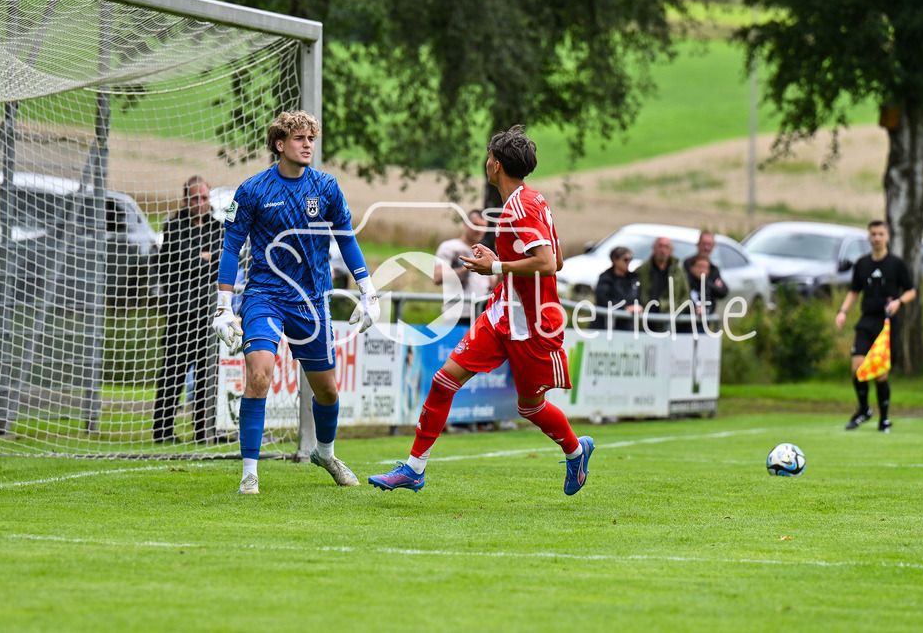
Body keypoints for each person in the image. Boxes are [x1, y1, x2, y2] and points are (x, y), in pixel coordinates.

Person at [367, 125, 594, 495]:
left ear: (497, 165)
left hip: (533, 325)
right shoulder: (528, 201)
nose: (486, 163)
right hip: (501, 313)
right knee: (444, 381)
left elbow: (550, 264)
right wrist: (501, 260)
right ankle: (414, 468)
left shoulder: (521, 207)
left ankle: (575, 450)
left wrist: (496, 267)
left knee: (531, 408)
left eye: (489, 157)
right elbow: (556, 259)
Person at [212, 110, 381, 495]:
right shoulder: (252, 190)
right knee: (258, 376)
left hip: (311, 299)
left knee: (327, 392)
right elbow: (230, 247)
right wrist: (224, 304)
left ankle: (325, 453)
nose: (308, 145)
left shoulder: (326, 186)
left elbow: (347, 239)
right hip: (264, 295)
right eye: (301, 139)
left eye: (311, 139)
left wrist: (368, 291)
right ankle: (250, 473)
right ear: (280, 144)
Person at [153, 176, 226, 444]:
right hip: (180, 312)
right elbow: (181, 260)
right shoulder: (173, 225)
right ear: (186, 200)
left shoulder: (217, 228)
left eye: (204, 198)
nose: (200, 203)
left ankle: (203, 432)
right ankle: (163, 432)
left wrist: (201, 258)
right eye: (195, 198)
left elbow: (222, 260)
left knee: (209, 374)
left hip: (209, 313)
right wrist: (202, 257)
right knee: (174, 371)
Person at [835, 220, 916, 433]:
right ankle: (864, 410)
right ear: (869, 237)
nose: (877, 238)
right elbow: (854, 291)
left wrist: (899, 302)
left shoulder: (896, 264)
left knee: (880, 374)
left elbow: (911, 291)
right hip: (866, 321)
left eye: (881, 234)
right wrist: (843, 311)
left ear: (887, 236)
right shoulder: (862, 264)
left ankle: (884, 420)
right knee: (857, 369)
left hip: (887, 324)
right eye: (873, 234)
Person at [434, 209, 496, 325]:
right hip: (457, 315)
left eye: (483, 226)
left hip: (483, 315)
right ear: (465, 224)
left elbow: (493, 284)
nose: (479, 230)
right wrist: (467, 268)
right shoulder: (449, 247)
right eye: (475, 225)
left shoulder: (486, 252)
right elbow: (438, 277)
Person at [639, 236, 690, 330]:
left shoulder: (679, 271)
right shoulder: (642, 269)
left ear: (671, 250)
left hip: (668, 320)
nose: (662, 250)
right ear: (653, 248)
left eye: (666, 247)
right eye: (660, 246)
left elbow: (685, 296)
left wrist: (675, 310)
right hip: (645, 320)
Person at [591, 246, 641, 332]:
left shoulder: (634, 278)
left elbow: (639, 297)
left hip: (627, 327)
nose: (628, 262)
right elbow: (603, 300)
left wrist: (639, 306)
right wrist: (625, 308)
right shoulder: (605, 278)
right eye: (625, 259)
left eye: (630, 259)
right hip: (605, 327)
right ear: (615, 260)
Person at [683, 230, 728, 310]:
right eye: (704, 244)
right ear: (698, 244)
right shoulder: (688, 263)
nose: (706, 248)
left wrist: (705, 282)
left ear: (713, 246)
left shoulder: (713, 268)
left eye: (709, 245)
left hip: (706, 314)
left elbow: (723, 292)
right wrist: (713, 285)